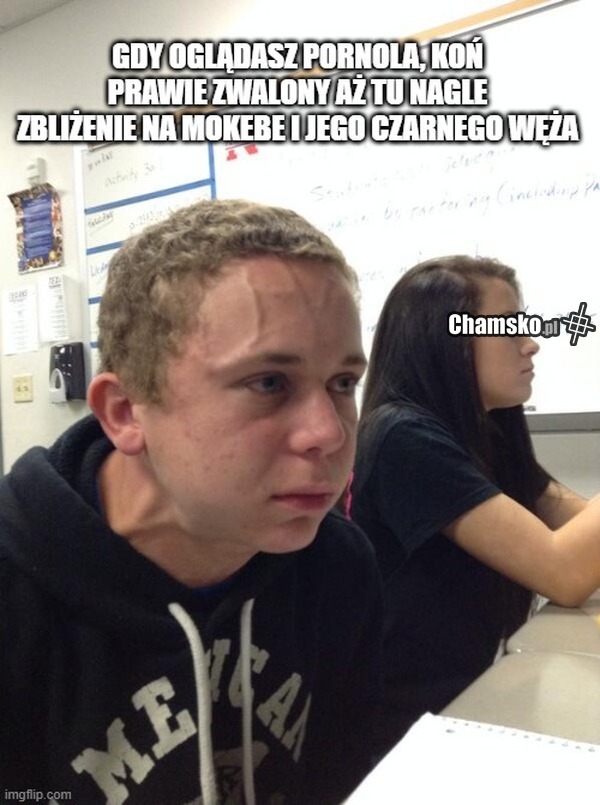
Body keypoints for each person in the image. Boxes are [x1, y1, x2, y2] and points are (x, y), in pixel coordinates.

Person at [0, 199, 383, 804]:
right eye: (269, 382)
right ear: (125, 414)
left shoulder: (337, 568)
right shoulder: (17, 598)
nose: (329, 433)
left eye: (343, 383)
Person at [349, 254, 600, 750]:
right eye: (508, 327)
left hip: (477, 690)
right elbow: (564, 573)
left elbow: (574, 523)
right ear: (446, 341)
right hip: (409, 730)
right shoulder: (402, 436)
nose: (531, 342)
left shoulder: (485, 431)